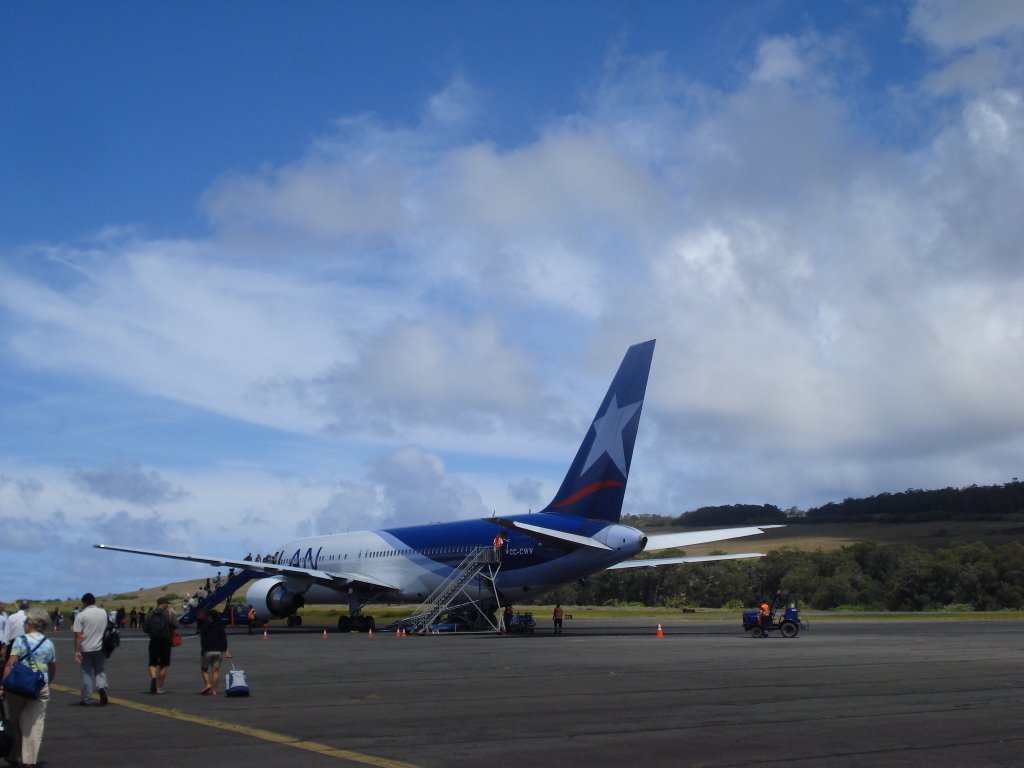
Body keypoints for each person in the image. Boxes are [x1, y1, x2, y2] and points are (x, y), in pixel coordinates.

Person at [1, 607, 57, 768]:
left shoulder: (20, 641)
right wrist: (48, 682)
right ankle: (29, 761)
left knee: (15, 720)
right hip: (39, 686)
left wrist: (3, 687)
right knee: (35, 724)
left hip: (18, 686)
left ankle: (14, 754)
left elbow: (10, 664)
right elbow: (52, 668)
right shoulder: (48, 643)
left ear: (30, 624)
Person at [72, 592, 109, 706]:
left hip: (86, 647)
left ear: (84, 603)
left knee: (86, 672)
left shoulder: (81, 615)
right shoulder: (103, 612)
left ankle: (87, 698)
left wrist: (77, 650)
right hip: (101, 646)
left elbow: (78, 635)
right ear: (94, 601)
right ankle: (101, 686)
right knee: (100, 670)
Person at [143, 597, 177, 694]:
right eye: (167, 603)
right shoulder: (168, 613)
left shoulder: (150, 614)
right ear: (163, 603)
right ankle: (158, 687)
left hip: (154, 640)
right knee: (163, 665)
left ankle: (153, 677)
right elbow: (175, 625)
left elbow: (145, 628)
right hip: (165, 641)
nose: (168, 605)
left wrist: (152, 632)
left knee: (152, 663)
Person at [198, 611, 231, 695]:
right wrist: (225, 650)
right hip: (219, 652)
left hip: (208, 651)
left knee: (204, 669)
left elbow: (201, 634)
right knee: (215, 671)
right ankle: (214, 691)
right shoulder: (220, 627)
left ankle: (208, 684)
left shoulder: (206, 627)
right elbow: (224, 639)